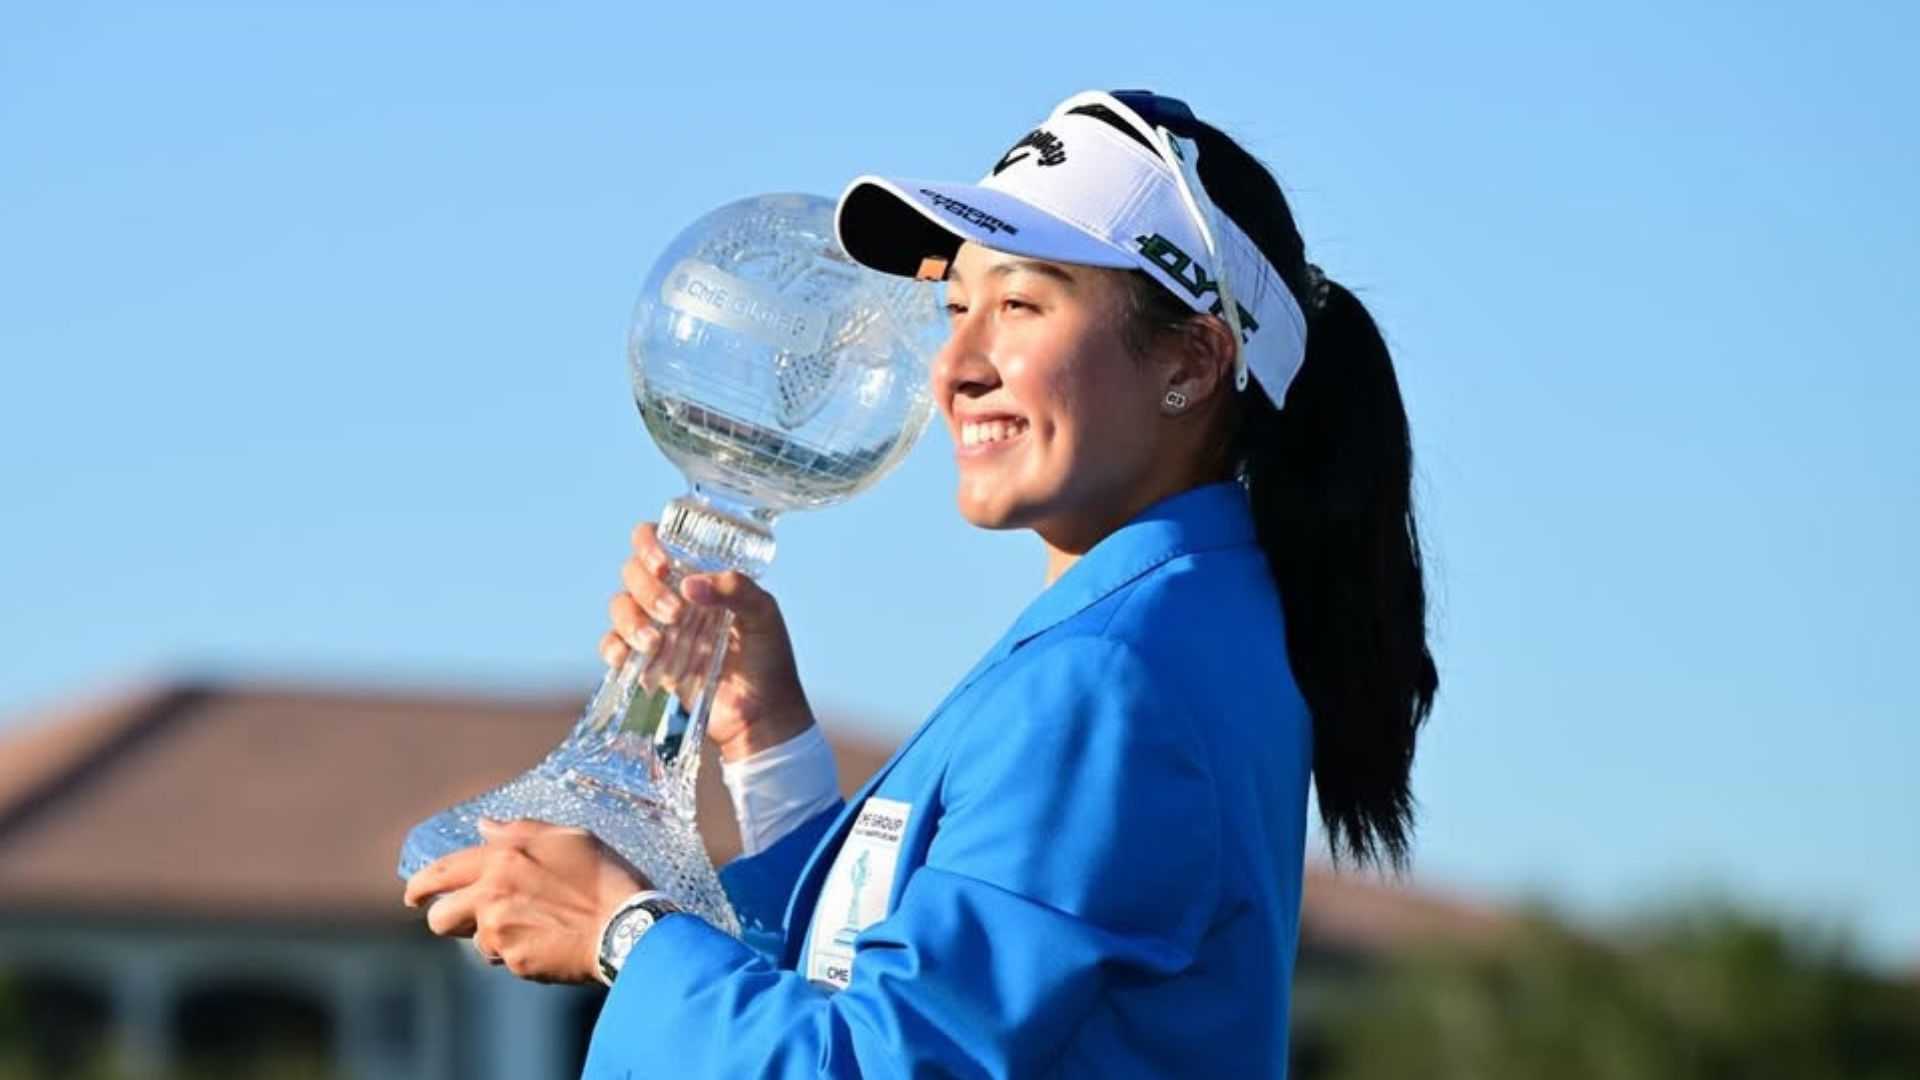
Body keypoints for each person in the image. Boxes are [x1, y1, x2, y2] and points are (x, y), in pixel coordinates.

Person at [403, 88, 1437, 1078]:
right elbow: (890, 991)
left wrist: (623, 932)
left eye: (1021, 305)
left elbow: (892, 1063)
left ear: (1193, 364)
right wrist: (767, 740)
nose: (955, 367)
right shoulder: (1162, 630)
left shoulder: (1109, 679)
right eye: (955, 308)